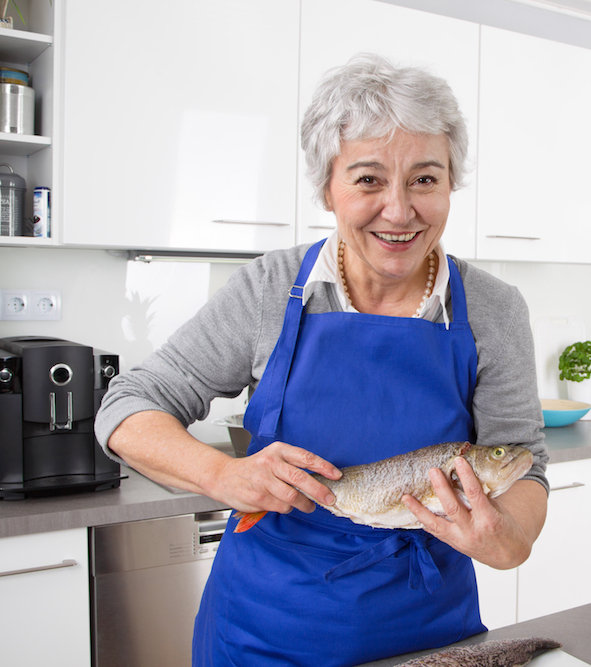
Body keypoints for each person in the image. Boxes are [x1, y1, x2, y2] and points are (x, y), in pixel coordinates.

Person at [95, 53, 549, 667]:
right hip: (262, 634)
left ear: (449, 184)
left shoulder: (493, 309)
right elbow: (127, 405)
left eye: (425, 179)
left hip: (429, 635)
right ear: (327, 188)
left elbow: (523, 460)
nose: (399, 210)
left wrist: (508, 541)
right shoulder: (268, 288)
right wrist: (223, 476)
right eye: (367, 180)